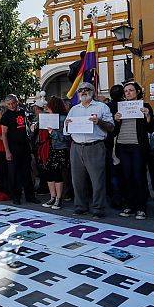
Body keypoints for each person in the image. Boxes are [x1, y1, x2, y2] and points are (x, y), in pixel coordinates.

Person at [65, 82, 114, 218]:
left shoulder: (102, 107)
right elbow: (66, 131)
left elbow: (111, 127)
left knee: (97, 180)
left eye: (86, 89)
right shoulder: (74, 109)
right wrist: (67, 125)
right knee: (77, 180)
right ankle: (80, 207)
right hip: (76, 147)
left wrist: (99, 122)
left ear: (93, 92)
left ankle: (98, 208)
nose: (83, 92)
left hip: (95, 146)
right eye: (80, 90)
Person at [114, 82, 154, 220]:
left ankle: (141, 207)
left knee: (139, 176)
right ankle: (130, 205)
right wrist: (117, 121)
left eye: (131, 90)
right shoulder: (120, 107)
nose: (128, 93)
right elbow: (114, 130)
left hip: (138, 146)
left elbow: (151, 129)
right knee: (127, 176)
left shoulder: (145, 106)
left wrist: (148, 116)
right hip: (123, 145)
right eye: (126, 91)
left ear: (137, 91)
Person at [1, 94, 38, 205]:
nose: (11, 106)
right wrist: (7, 151)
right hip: (13, 148)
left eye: (13, 103)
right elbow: (4, 134)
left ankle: (30, 196)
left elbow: (27, 125)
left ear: (17, 102)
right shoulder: (6, 116)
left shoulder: (23, 112)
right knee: (13, 173)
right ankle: (15, 196)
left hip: (25, 147)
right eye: (9, 104)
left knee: (27, 172)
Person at [39, 96, 71, 209]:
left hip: (60, 148)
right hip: (49, 148)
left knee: (57, 174)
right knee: (49, 173)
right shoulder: (49, 118)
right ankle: (52, 197)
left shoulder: (63, 119)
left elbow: (66, 137)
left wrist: (52, 133)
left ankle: (58, 198)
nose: (47, 109)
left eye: (49, 107)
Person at [105, 85, 124, 209]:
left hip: (109, 142)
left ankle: (114, 197)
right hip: (123, 141)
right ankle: (120, 197)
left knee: (113, 172)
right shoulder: (126, 106)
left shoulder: (107, 107)